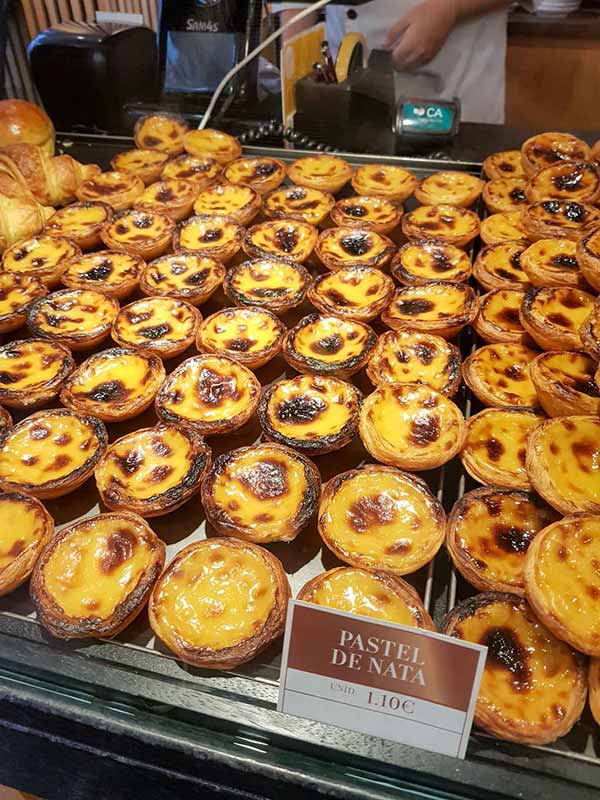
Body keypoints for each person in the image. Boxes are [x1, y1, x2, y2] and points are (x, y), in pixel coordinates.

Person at [274, 0, 539, 124]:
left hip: (457, 78)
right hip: (340, 91)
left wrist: (452, 8)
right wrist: (295, 67)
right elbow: (296, 10)